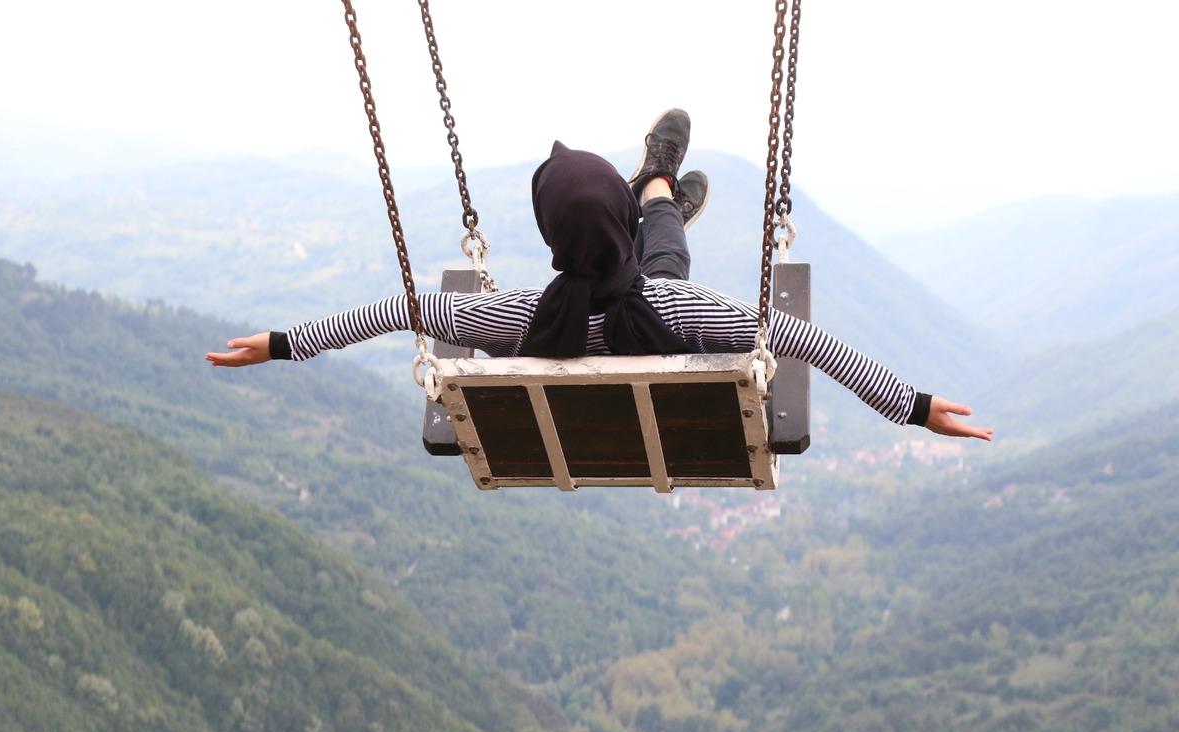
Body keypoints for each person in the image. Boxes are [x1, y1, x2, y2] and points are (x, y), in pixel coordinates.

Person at [207, 110, 992, 442]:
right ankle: (653, 191)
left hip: (597, 313)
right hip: (656, 299)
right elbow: (808, 342)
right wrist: (914, 408)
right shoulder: (686, 308)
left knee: (657, 269)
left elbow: (393, 311)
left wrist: (281, 344)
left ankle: (653, 193)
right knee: (660, 271)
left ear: (550, 237)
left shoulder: (509, 318)